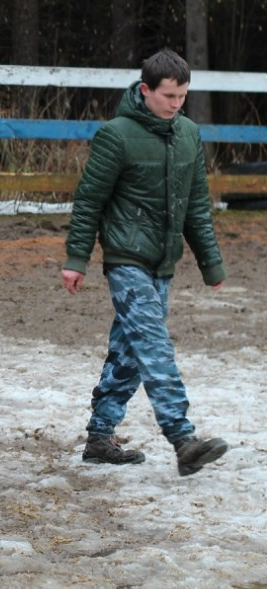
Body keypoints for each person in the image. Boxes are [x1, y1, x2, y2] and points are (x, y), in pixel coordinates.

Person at [62, 48, 229, 476]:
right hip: (126, 258)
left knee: (130, 350)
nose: (176, 104)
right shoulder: (116, 135)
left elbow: (196, 206)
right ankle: (183, 438)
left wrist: (211, 264)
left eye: (182, 97)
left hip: (163, 263)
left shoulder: (189, 134)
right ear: (145, 90)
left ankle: (100, 437)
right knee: (153, 343)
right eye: (169, 96)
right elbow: (89, 202)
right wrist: (77, 258)